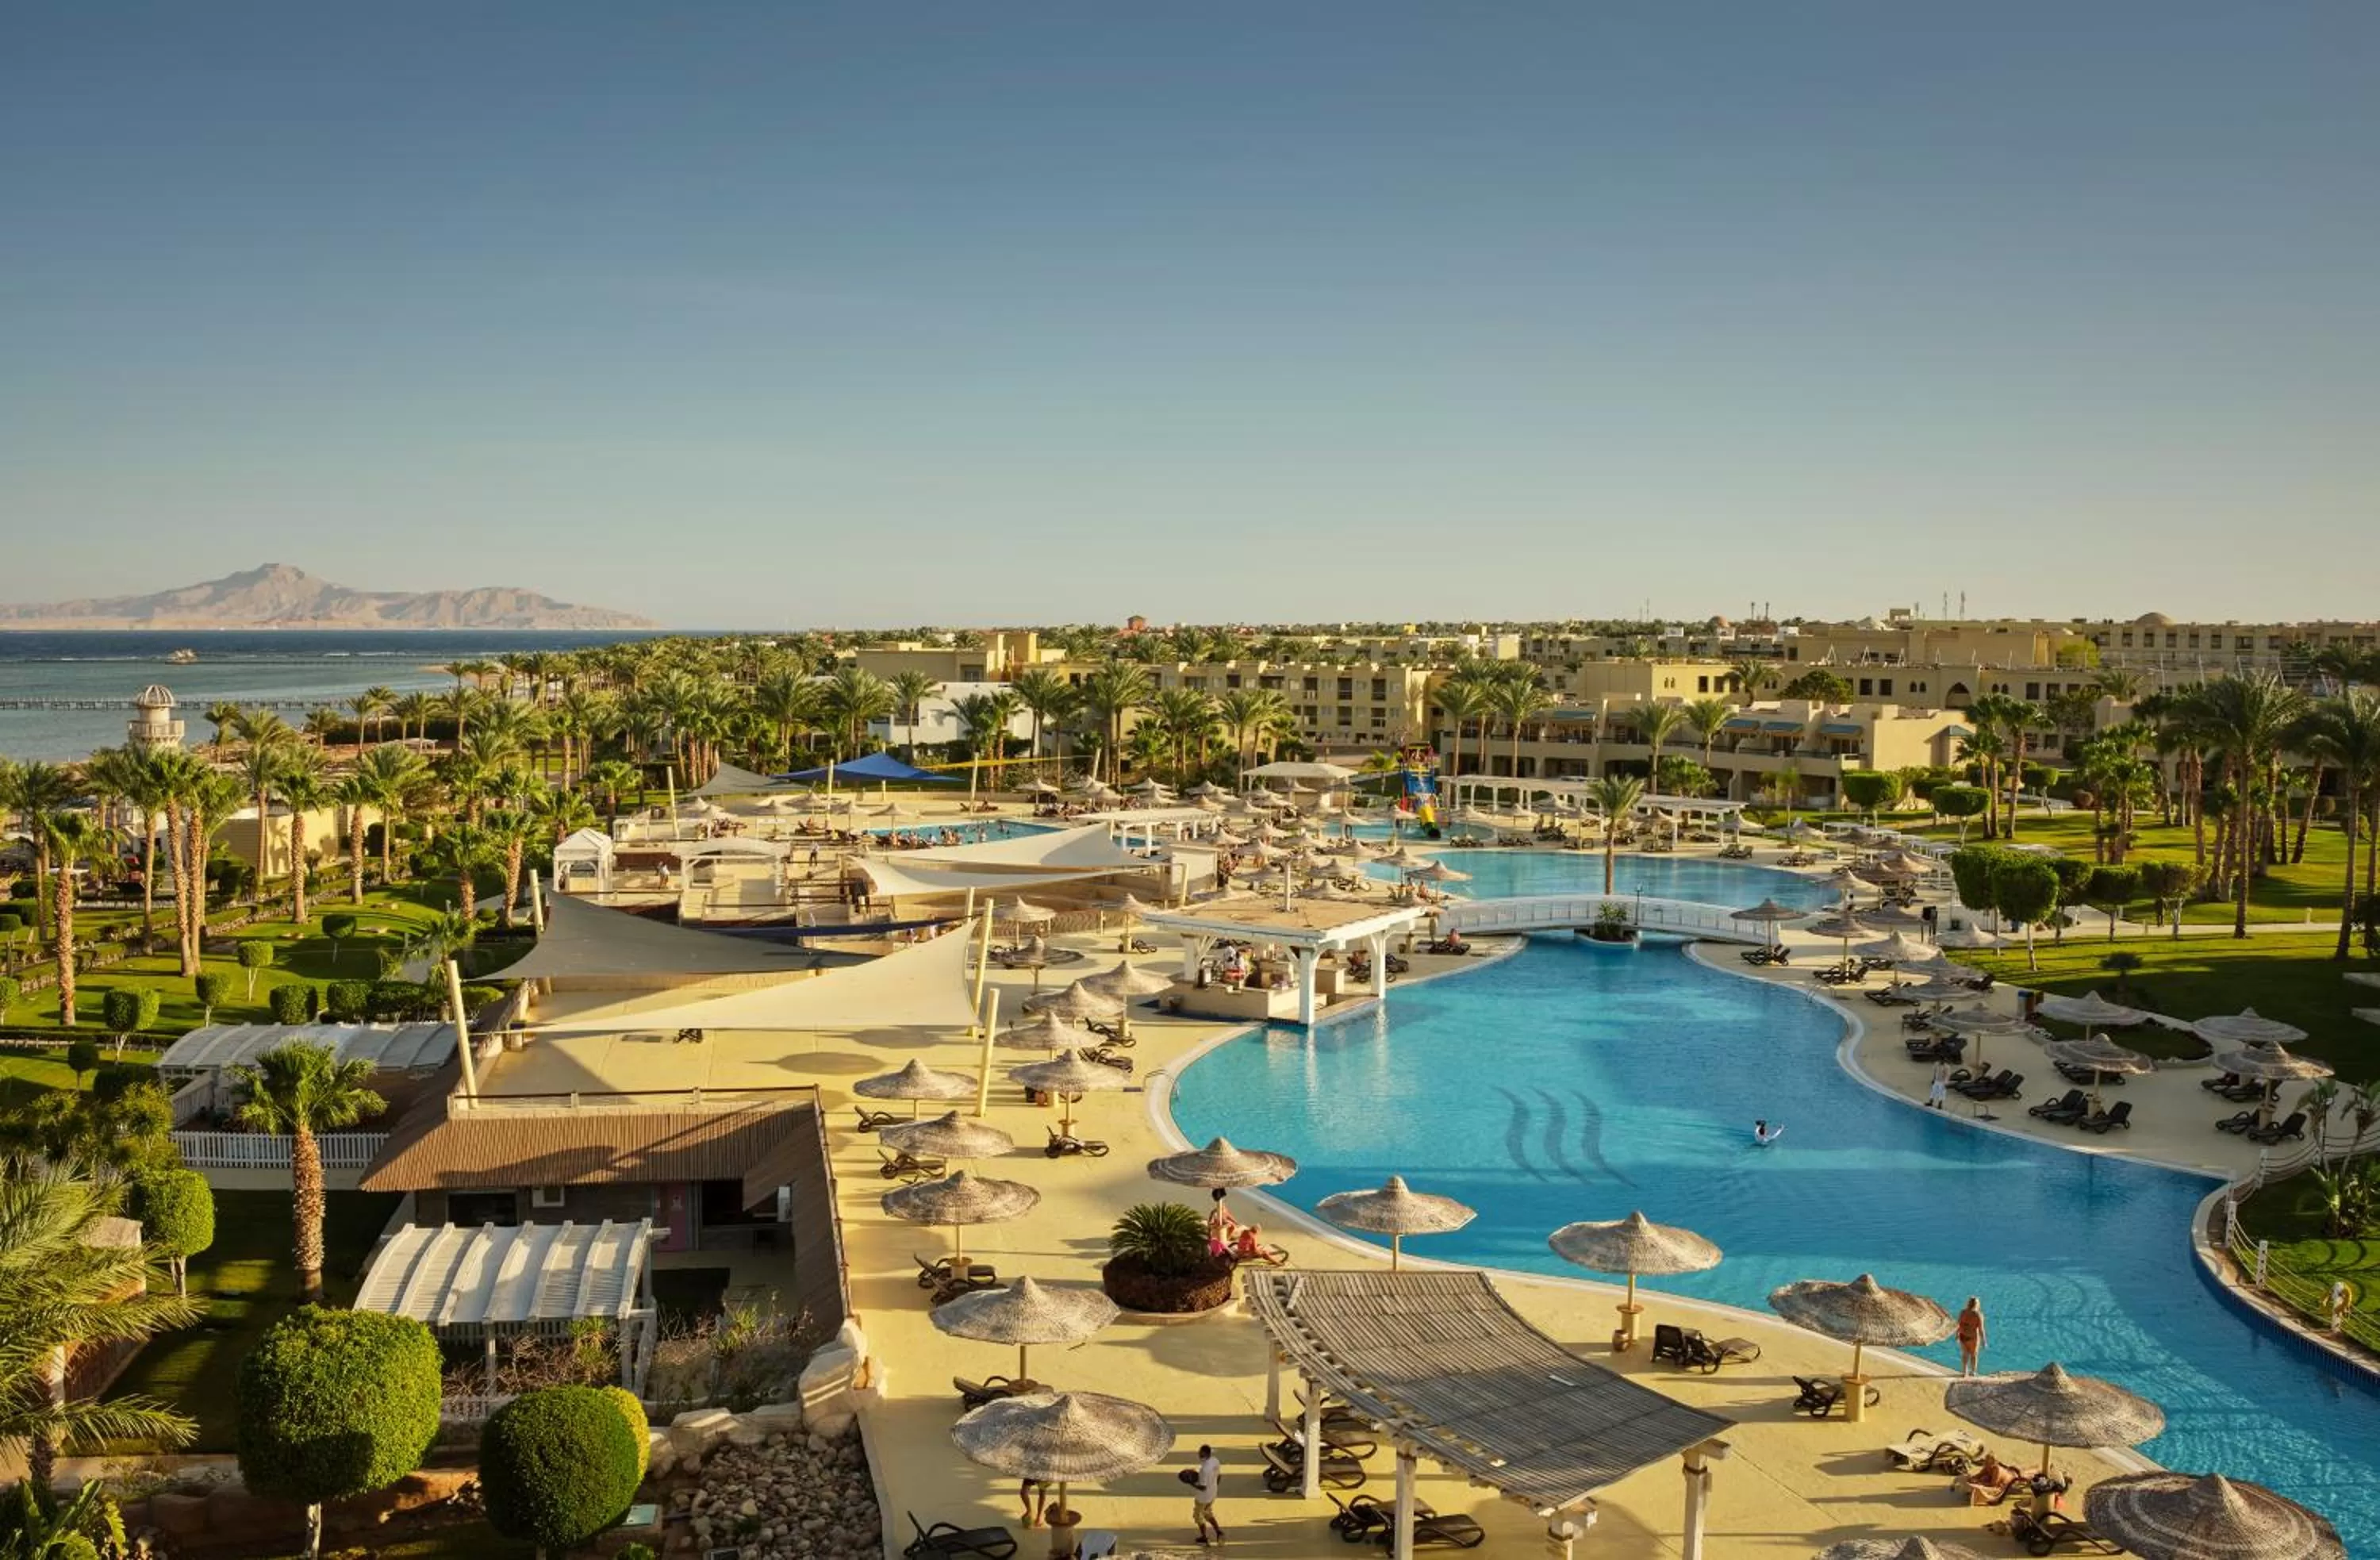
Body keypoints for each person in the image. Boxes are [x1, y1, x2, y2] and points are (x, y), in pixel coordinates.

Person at [1189, 1444, 1225, 1545]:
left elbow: (1203, 1487)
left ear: (1205, 1454)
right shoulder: (1215, 1461)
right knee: (1208, 1513)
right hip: (1213, 1494)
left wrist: (1191, 1484)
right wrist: (1214, 1487)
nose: (1199, 1454)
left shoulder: (1204, 1469)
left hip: (1202, 1498)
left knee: (1198, 1516)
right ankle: (1219, 1532)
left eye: (1200, 1453)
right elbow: (1219, 1476)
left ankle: (1204, 1538)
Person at [1956, 1296, 1987, 1376]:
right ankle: (1973, 1372)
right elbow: (1981, 1329)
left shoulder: (1962, 1313)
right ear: (1977, 1304)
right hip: (1973, 1337)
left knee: (1965, 1354)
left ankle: (1964, 1372)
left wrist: (1957, 1334)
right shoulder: (1978, 1315)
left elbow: (1958, 1325)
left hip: (1963, 1335)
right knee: (1974, 1355)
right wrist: (1984, 1341)